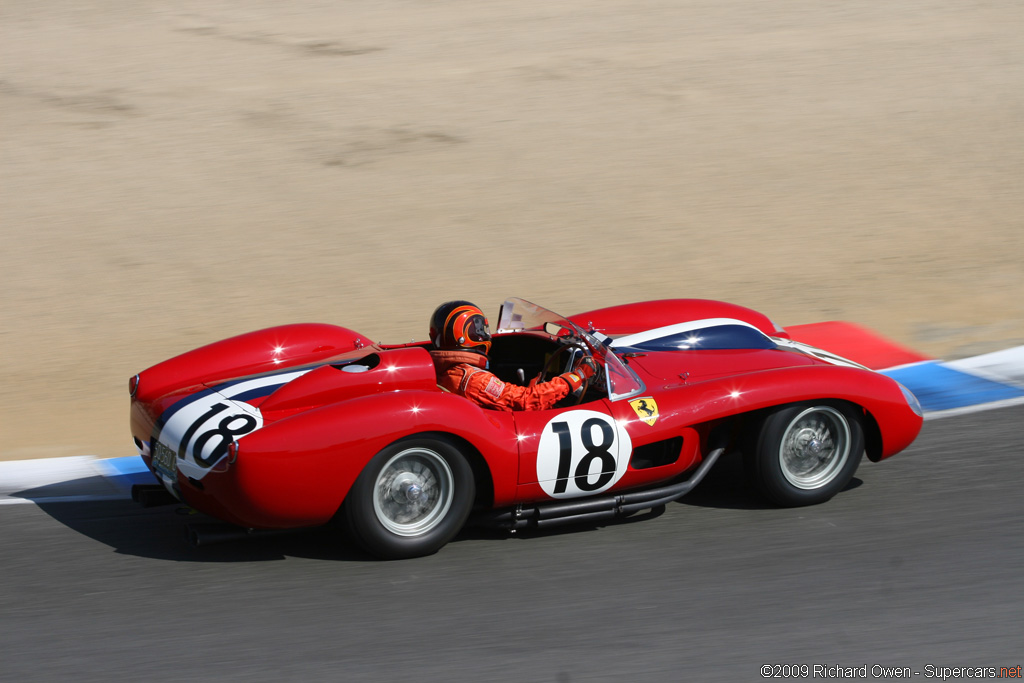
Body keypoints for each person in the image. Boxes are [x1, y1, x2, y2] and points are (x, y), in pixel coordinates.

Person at [428, 300, 596, 411]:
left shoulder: (441, 369)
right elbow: (526, 402)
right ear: (470, 335)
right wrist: (577, 376)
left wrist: (531, 389)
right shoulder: (475, 380)